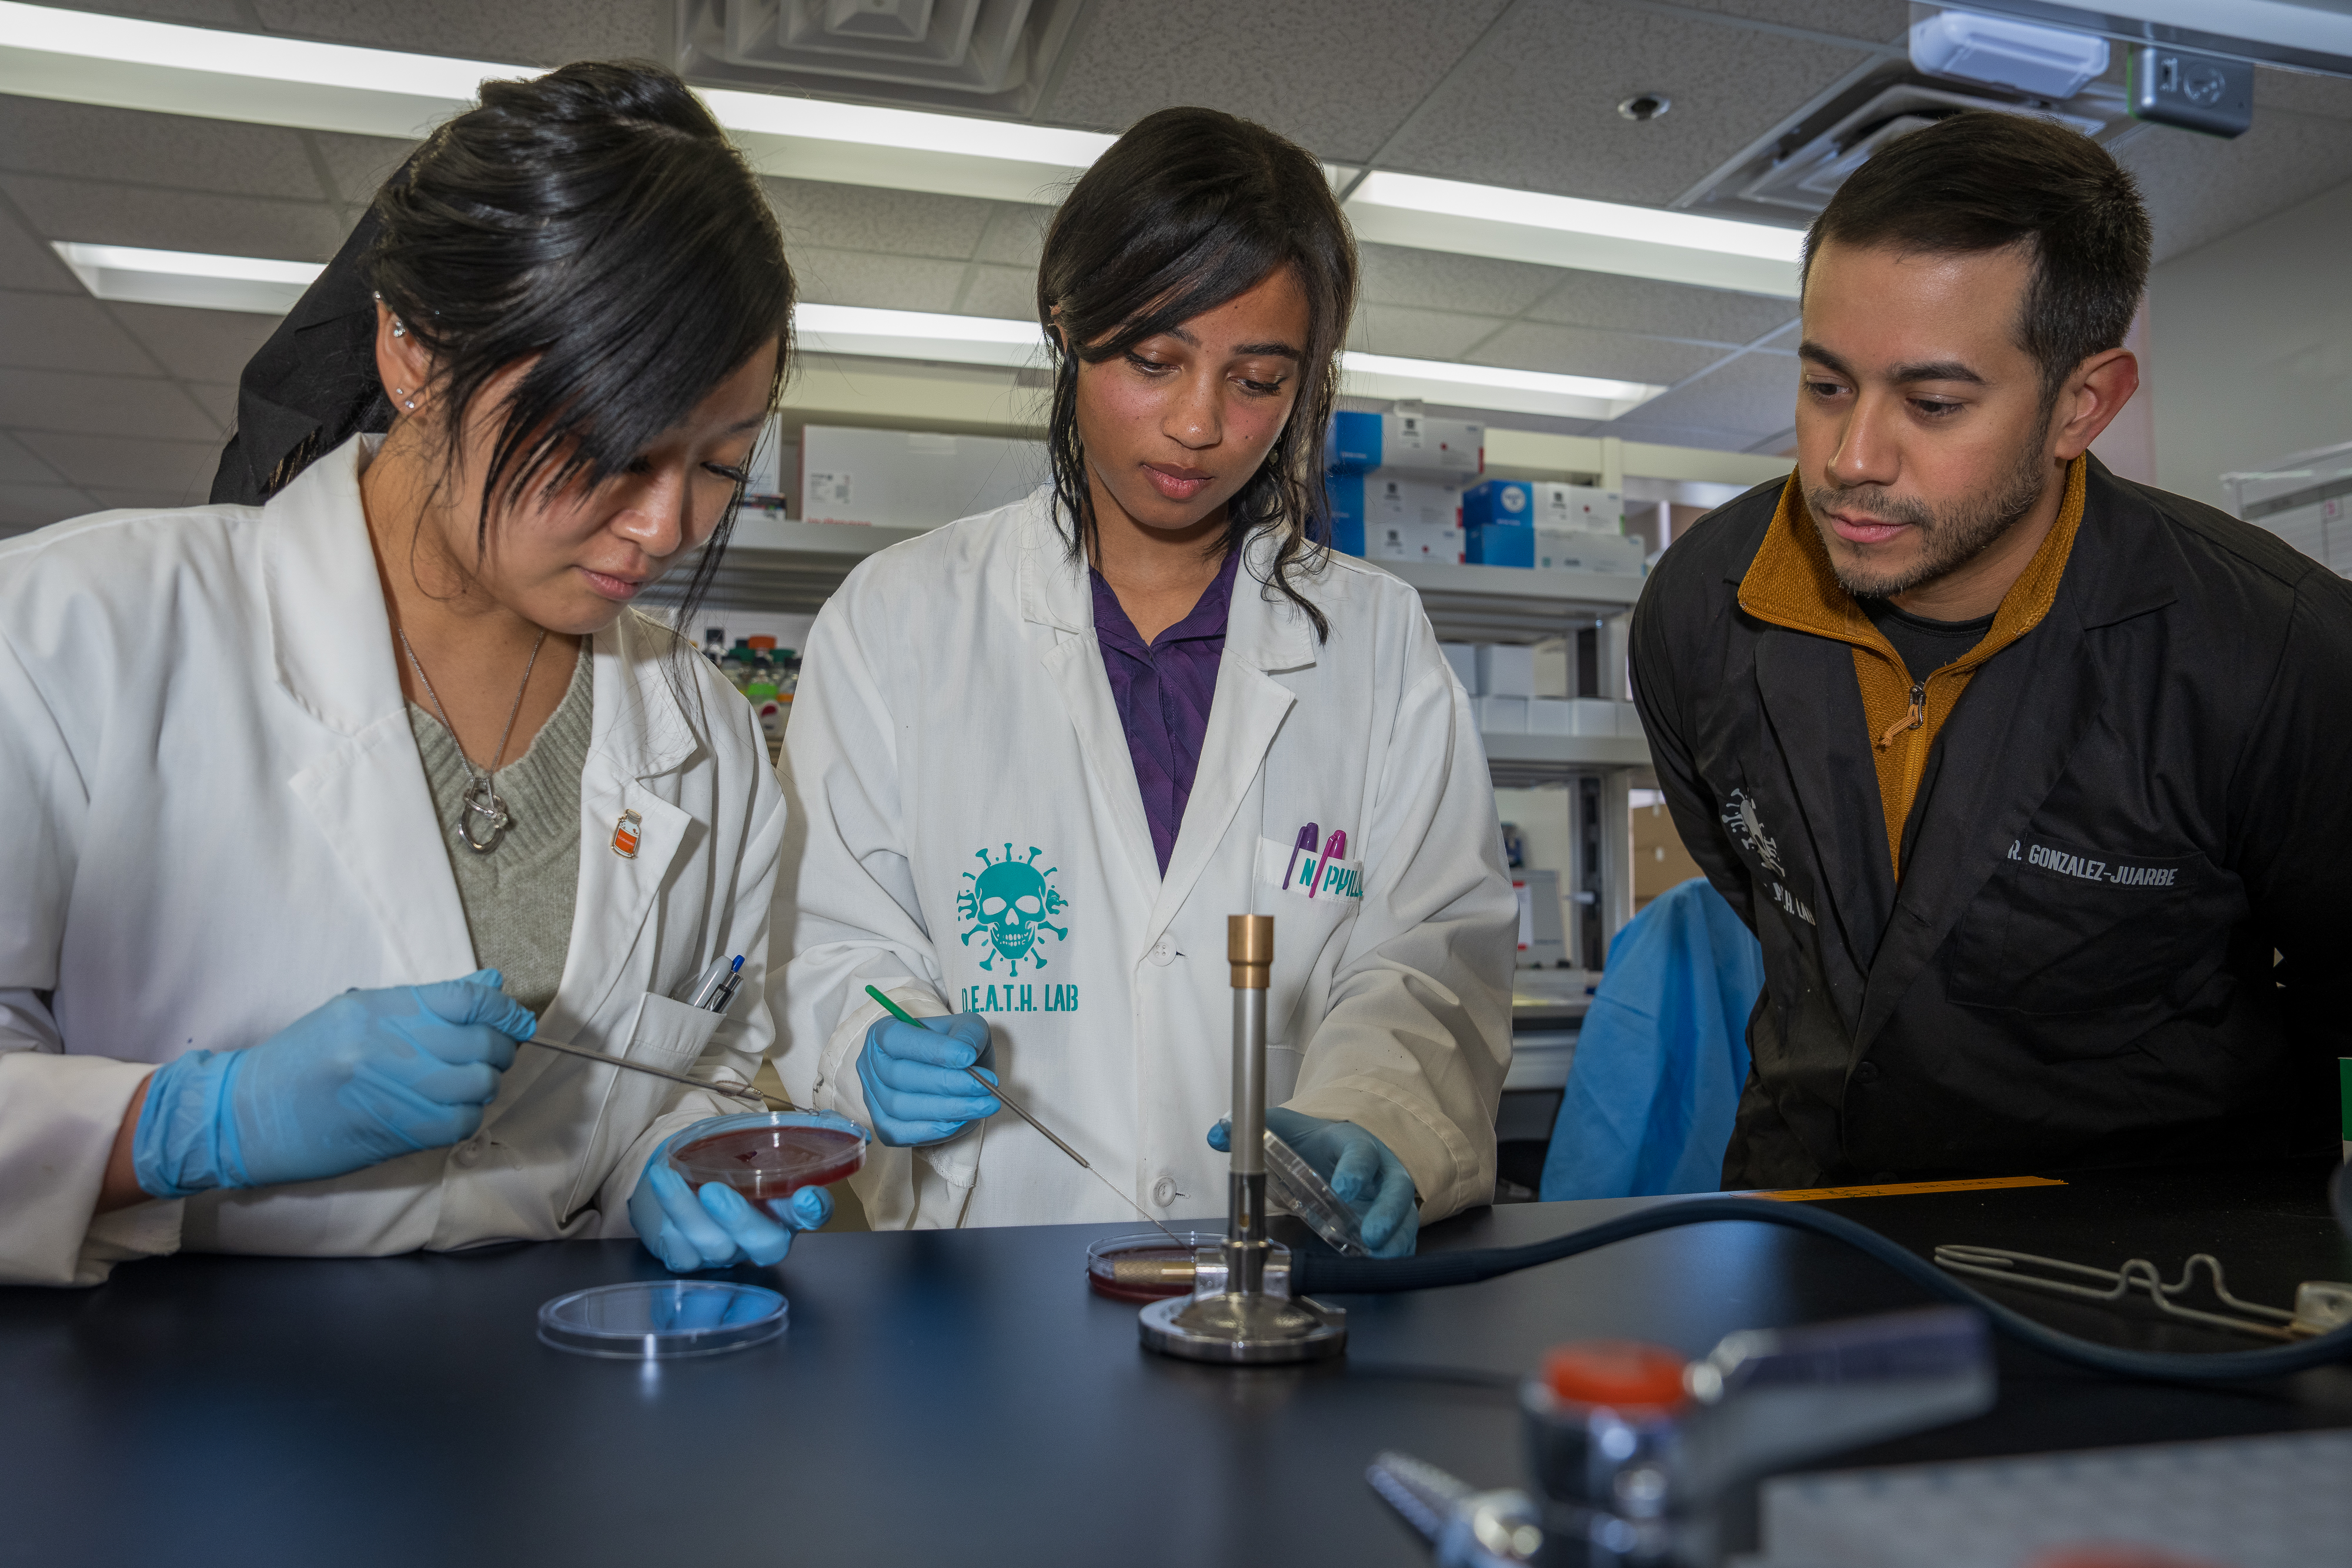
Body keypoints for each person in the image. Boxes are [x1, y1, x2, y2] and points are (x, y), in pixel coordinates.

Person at [0, 62, 824, 1286]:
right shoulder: (78, 628)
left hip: (551, 1411)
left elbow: (706, 1051)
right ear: (412, 350)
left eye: (718, 464)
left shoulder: (701, 724)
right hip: (146, 1408)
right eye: (609, 445)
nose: (662, 528)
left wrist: (680, 1145)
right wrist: (186, 1122)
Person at [777, 108, 1515, 1256]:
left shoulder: (1376, 640)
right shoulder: (896, 617)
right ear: (1065, 324)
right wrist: (868, 1039)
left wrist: (1376, 1118)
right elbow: (833, 936)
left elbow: (1426, 952)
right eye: (1151, 359)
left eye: (1258, 378)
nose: (1197, 424)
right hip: (984, 1290)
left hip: (1280, 1276)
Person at [1631, 111, 2352, 1189]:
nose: (1851, 457)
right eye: (1826, 386)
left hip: (2160, 1274)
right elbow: (1777, 905)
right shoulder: (1704, 604)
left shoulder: (2271, 652)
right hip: (1814, 1230)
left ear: (2082, 405)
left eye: (1931, 403)